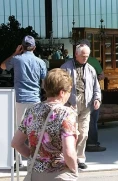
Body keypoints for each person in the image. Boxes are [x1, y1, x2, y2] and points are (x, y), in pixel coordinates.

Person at [11, 68, 78, 180]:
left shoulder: (32, 111)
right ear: (62, 92)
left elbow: (16, 143)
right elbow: (69, 152)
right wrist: (75, 169)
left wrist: (37, 157)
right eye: (69, 91)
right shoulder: (66, 114)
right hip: (59, 174)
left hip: (36, 174)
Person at [0, 35, 47, 168]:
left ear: (22, 47)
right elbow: (44, 84)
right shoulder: (41, 62)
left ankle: (18, 161)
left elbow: (3, 66)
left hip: (20, 99)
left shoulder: (16, 59)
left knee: (19, 131)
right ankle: (35, 159)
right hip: (35, 99)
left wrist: (15, 52)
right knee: (36, 130)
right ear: (34, 47)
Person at [61, 44, 102, 169]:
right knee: (71, 133)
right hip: (70, 104)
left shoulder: (90, 69)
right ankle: (69, 157)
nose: (85, 58)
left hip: (86, 103)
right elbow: (60, 86)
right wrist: (64, 103)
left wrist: (97, 99)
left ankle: (80, 158)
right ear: (76, 54)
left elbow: (96, 87)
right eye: (83, 56)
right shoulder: (66, 67)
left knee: (83, 133)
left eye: (87, 56)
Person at [75, 39, 106, 152]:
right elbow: (102, 76)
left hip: (86, 97)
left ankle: (79, 150)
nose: (85, 58)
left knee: (78, 124)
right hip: (88, 98)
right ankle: (92, 144)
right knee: (92, 122)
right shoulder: (94, 61)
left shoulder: (89, 65)